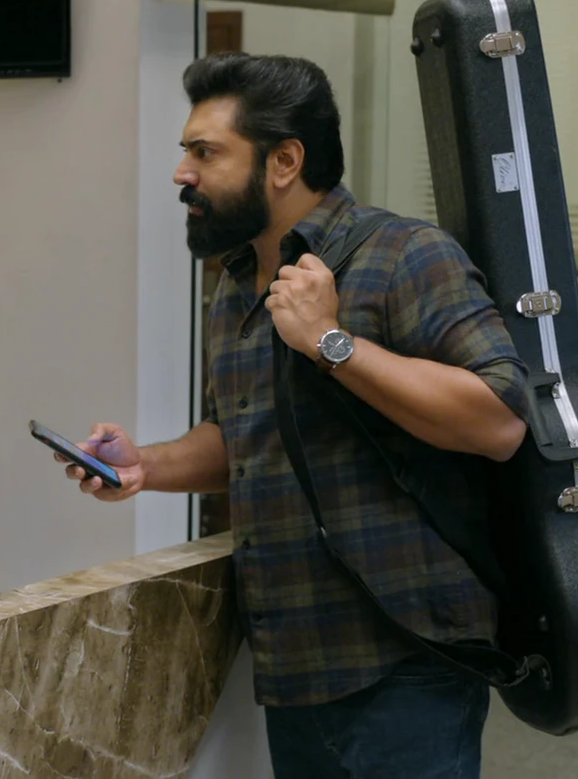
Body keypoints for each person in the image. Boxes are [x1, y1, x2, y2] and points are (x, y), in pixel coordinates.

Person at [57, 53, 530, 778]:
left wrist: (329, 342)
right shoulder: (238, 285)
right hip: (296, 662)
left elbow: (500, 420)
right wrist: (144, 466)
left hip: (405, 659)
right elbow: (241, 438)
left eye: (205, 152)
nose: (182, 172)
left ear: (284, 162)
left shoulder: (402, 254)